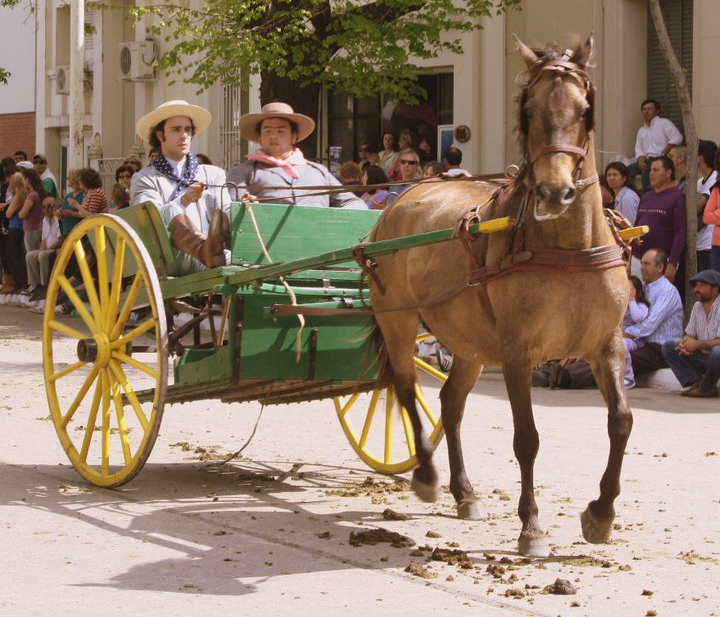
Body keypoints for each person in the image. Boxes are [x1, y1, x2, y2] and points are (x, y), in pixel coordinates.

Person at [130, 99, 230, 274]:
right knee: (171, 213)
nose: (184, 135)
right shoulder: (145, 178)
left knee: (228, 212)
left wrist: (244, 207)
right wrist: (184, 200)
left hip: (218, 256)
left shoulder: (213, 174)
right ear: (160, 136)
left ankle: (209, 250)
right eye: (176, 129)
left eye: (188, 129)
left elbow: (226, 213)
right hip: (171, 260)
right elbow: (150, 223)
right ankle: (203, 250)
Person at [228, 102, 366, 209]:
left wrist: (334, 220)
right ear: (259, 137)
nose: (274, 135)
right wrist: (245, 205)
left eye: (281, 131)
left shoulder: (319, 171)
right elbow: (230, 209)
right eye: (268, 131)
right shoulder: (242, 172)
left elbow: (353, 203)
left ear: (294, 137)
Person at [625, 248, 684, 377]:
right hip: (643, 344)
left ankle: (570, 377)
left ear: (660, 267)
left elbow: (649, 325)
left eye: (646, 264)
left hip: (661, 349)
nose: (641, 267)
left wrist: (625, 333)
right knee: (609, 353)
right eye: (641, 263)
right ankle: (571, 373)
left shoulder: (667, 291)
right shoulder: (643, 288)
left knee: (615, 358)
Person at [661, 269, 720, 397]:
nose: (696, 289)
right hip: (703, 358)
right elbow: (689, 335)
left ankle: (707, 387)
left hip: (716, 359)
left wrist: (697, 345)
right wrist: (685, 344)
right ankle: (697, 383)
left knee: (717, 351)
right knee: (669, 347)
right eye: (696, 285)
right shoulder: (697, 307)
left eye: (701, 285)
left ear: (715, 289)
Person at [631, 156, 686, 283]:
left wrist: (672, 264)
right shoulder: (646, 196)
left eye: (656, 170)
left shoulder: (677, 197)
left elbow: (680, 233)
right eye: (650, 170)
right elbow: (636, 227)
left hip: (660, 263)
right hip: (637, 260)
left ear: (668, 173)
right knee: (636, 299)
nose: (651, 174)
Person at [629, 99, 683, 193]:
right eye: (644, 109)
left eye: (650, 109)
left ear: (657, 111)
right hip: (646, 160)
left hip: (661, 158)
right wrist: (641, 159)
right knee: (625, 171)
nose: (646, 111)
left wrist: (665, 151)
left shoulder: (664, 123)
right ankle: (632, 197)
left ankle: (648, 200)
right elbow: (639, 149)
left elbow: (677, 137)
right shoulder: (641, 130)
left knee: (647, 172)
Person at [25, 198, 62, 302]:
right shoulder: (44, 220)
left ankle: (45, 285)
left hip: (56, 248)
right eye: (44, 207)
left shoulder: (57, 219)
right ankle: (36, 285)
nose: (47, 209)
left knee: (43, 256)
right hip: (48, 248)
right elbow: (43, 240)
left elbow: (60, 240)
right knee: (30, 255)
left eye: (49, 206)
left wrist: (44, 251)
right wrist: (41, 251)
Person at [622, 275, 650, 388]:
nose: (626, 292)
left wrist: (632, 301)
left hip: (634, 340)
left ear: (638, 293)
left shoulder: (641, 307)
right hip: (621, 337)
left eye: (630, 289)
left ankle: (629, 377)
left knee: (622, 344)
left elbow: (636, 318)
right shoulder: (622, 307)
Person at [0, 170, 26, 292]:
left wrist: (5, 208)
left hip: (15, 228)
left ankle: (17, 283)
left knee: (12, 256)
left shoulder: (17, 196)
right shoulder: (23, 194)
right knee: (13, 255)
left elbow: (9, 213)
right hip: (18, 228)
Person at [696, 140, 718, 272]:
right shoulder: (699, 181)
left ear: (700, 158)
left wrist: (698, 200)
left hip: (709, 243)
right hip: (699, 242)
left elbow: (698, 206)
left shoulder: (715, 178)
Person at [18, 167, 46, 254]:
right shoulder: (38, 193)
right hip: (38, 226)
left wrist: (20, 212)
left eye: (23, 179)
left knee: (31, 254)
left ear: (28, 180)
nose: (22, 181)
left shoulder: (32, 195)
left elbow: (22, 214)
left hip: (31, 229)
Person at [58, 168, 84, 238]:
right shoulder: (68, 195)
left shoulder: (83, 194)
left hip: (77, 232)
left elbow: (85, 213)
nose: (67, 179)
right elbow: (63, 211)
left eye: (69, 177)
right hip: (66, 231)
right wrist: (60, 213)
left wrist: (71, 214)